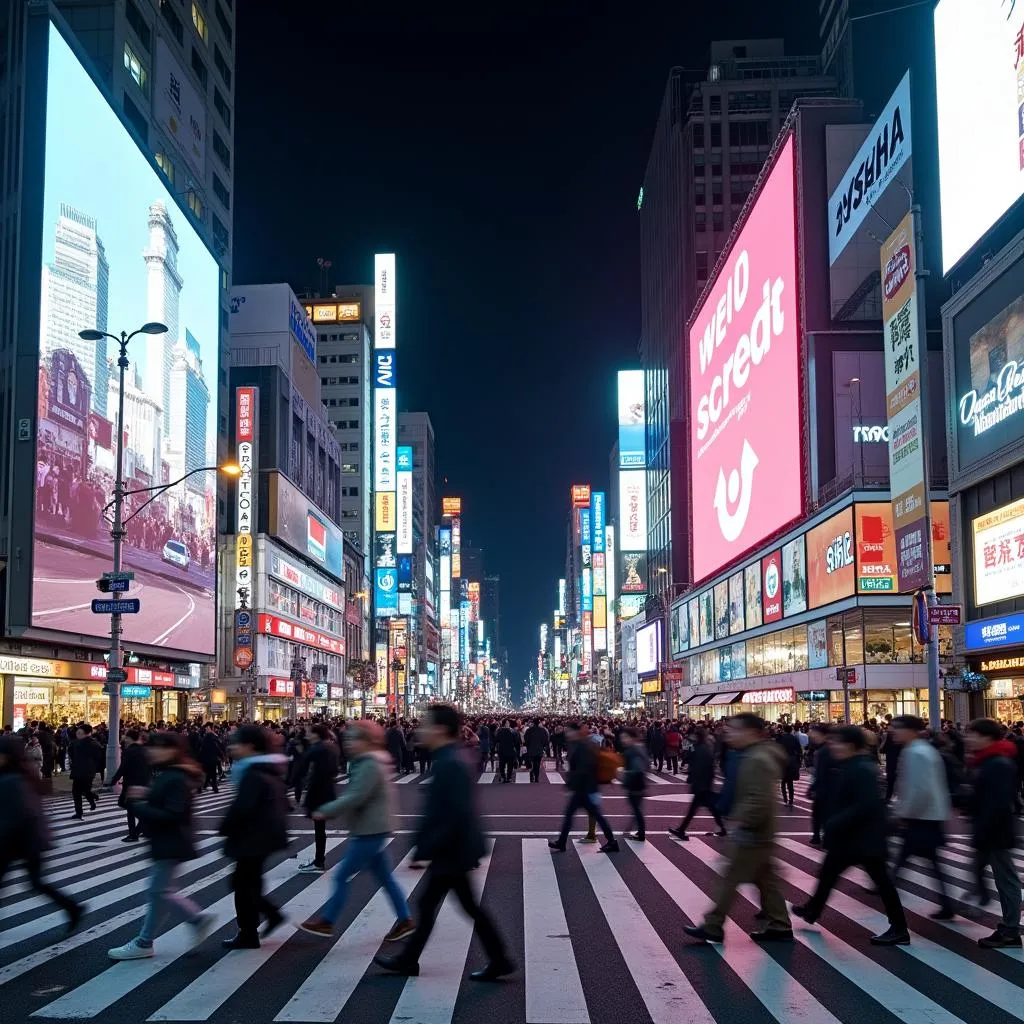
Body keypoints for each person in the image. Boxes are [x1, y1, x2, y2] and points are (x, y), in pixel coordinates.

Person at [374, 705, 512, 980]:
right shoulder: (449, 759)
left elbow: (453, 813)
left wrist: (424, 847)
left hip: (452, 850)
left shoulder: (450, 763)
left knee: (444, 905)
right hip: (454, 849)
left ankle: (497, 959)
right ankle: (497, 959)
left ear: (439, 729)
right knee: (443, 905)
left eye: (425, 724)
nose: (421, 729)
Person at [790, 726, 909, 946]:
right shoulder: (851, 765)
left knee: (882, 883)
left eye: (839, 742)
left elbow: (865, 805)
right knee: (828, 874)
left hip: (862, 838)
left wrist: (836, 821)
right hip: (853, 838)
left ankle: (899, 928)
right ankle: (812, 910)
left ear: (851, 745)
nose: (834, 745)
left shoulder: (861, 768)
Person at [298, 720, 414, 939]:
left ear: (366, 741)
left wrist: (325, 810)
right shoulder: (368, 761)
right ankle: (405, 919)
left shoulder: (369, 764)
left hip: (369, 829)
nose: (348, 743)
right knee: (385, 878)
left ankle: (327, 921)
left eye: (353, 739)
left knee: (341, 876)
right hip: (372, 827)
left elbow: (356, 795)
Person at [683, 714, 792, 944]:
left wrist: (741, 821)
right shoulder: (753, 754)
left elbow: (758, 799)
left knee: (729, 877)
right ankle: (780, 924)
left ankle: (714, 924)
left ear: (751, 732)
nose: (728, 734)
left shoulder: (757, 759)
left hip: (752, 830)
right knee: (766, 880)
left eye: (734, 730)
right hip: (761, 830)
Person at [107, 732, 211, 959]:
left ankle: (148, 940)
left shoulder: (175, 777)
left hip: (170, 840)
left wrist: (139, 804)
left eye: (156, 748)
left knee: (159, 892)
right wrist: (148, 796)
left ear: (171, 750)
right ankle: (191, 921)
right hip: (169, 840)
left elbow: (172, 813)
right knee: (160, 892)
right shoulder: (173, 774)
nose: (150, 753)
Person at [0, 736, 82, 934]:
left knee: (36, 883)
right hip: (27, 841)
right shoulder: (18, 775)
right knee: (37, 883)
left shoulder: (12, 779)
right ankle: (72, 908)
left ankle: (73, 908)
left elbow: (21, 814)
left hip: (19, 841)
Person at [218, 725, 289, 949]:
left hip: (253, 836)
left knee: (241, 884)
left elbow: (242, 807)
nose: (232, 748)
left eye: (236, 743)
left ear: (250, 746)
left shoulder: (254, 773)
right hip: (264, 835)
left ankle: (250, 930)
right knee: (249, 882)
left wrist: (225, 826)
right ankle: (263, 920)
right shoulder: (269, 768)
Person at [960, 718, 1022, 948]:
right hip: (991, 830)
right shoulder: (987, 761)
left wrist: (983, 832)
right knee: (1000, 877)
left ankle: (1010, 930)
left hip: (996, 832)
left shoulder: (997, 764)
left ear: (986, 737)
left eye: (972, 734)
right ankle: (1005, 923)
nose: (968, 739)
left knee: (1006, 881)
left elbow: (997, 803)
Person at [889, 715, 954, 920]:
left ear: (912, 731)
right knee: (929, 862)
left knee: (907, 860)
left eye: (898, 728)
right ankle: (946, 904)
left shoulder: (915, 753)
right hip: (929, 816)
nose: (893, 732)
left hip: (920, 818)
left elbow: (919, 789)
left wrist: (904, 813)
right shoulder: (924, 750)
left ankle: (887, 895)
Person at [548, 722, 618, 853]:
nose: (567, 734)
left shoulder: (582, 746)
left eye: (569, 732)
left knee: (592, 815)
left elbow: (583, 769)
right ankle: (562, 841)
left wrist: (571, 784)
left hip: (585, 788)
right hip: (585, 788)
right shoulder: (582, 744)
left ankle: (611, 841)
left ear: (575, 732)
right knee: (587, 815)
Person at [295, 723, 339, 874]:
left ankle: (319, 860)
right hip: (327, 790)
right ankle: (319, 859)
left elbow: (301, 768)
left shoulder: (316, 749)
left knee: (319, 828)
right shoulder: (332, 747)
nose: (306, 734)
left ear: (315, 734)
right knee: (320, 828)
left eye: (309, 732)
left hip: (317, 792)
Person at [669, 726, 726, 841]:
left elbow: (687, 757)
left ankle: (681, 830)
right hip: (705, 782)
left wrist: (692, 776)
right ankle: (722, 828)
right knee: (710, 808)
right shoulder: (706, 747)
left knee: (695, 809)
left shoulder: (695, 747)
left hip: (700, 783)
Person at [111, 729, 151, 843]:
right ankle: (145, 830)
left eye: (126, 737)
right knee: (135, 807)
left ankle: (134, 834)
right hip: (145, 783)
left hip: (132, 784)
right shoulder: (145, 750)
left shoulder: (130, 751)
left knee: (131, 810)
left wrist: (114, 780)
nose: (124, 738)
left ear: (130, 738)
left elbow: (123, 768)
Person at [806, 724, 836, 848]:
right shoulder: (826, 748)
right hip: (828, 788)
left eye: (814, 733)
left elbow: (821, 773)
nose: (811, 735)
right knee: (822, 815)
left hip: (825, 789)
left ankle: (820, 838)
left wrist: (813, 788)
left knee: (820, 815)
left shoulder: (824, 751)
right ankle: (820, 837)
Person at [69, 724, 102, 819]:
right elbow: (98, 758)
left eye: (79, 733)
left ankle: (79, 812)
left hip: (79, 771)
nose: (77, 734)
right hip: (89, 771)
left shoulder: (75, 744)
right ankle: (92, 801)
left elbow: (71, 756)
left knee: (77, 793)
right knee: (85, 790)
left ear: (86, 733)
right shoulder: (96, 744)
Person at [620, 727, 648, 841]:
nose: (623, 740)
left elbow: (637, 768)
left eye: (625, 737)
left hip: (635, 782)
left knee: (636, 809)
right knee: (636, 808)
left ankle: (641, 832)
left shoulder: (633, 750)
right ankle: (638, 830)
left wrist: (624, 772)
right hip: (638, 782)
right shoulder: (639, 748)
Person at [776, 724, 802, 806]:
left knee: (783, 781)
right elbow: (799, 751)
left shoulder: (780, 738)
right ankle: (791, 800)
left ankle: (785, 799)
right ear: (791, 730)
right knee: (790, 782)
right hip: (792, 760)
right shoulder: (794, 738)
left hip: (782, 760)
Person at [524, 718, 549, 783]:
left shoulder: (529, 730)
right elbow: (545, 740)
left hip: (531, 749)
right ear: (539, 722)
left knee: (533, 762)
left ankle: (532, 773)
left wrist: (528, 746)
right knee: (537, 763)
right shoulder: (542, 730)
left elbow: (526, 739)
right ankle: (536, 777)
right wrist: (544, 746)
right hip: (539, 749)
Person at [199, 723, 222, 793]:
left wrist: (199, 758)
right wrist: (220, 756)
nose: (206, 729)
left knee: (204, 773)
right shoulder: (214, 738)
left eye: (208, 728)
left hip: (205, 759)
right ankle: (214, 788)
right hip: (212, 759)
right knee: (213, 774)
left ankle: (200, 788)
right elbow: (217, 748)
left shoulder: (204, 738)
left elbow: (202, 749)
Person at [495, 718, 518, 783]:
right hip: (505, 750)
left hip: (507, 750)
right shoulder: (512, 731)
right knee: (503, 765)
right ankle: (505, 777)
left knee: (508, 765)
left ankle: (507, 777)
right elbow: (516, 741)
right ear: (504, 724)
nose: (508, 724)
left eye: (508, 723)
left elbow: (497, 740)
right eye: (507, 723)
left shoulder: (501, 731)